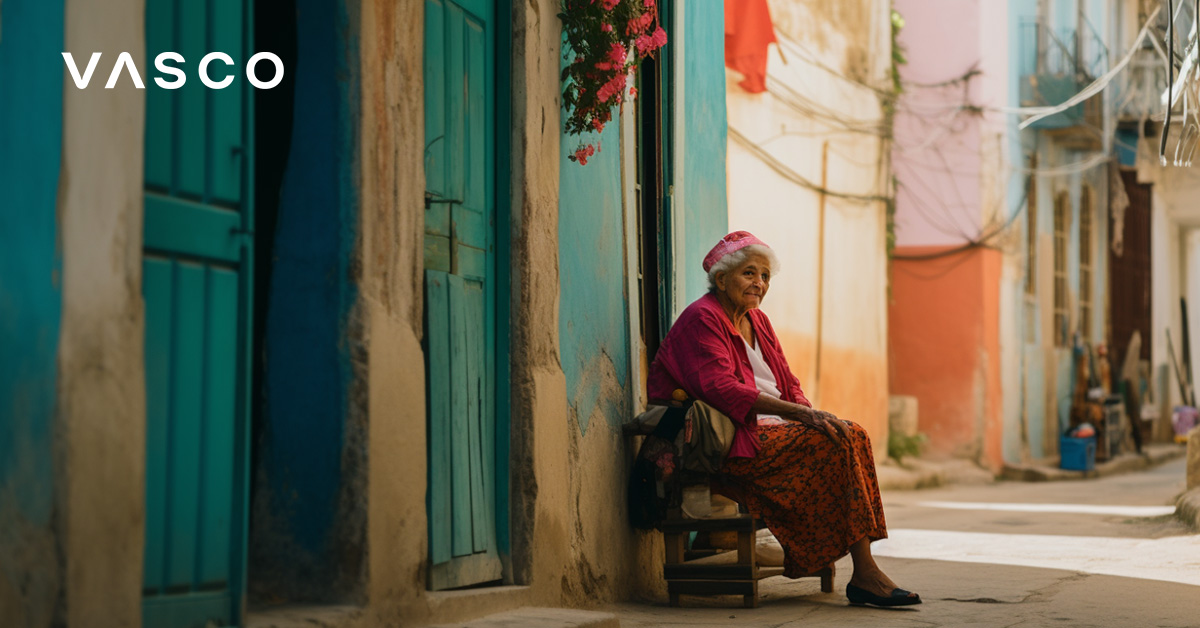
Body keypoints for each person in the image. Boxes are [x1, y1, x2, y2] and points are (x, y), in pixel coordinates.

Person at [647, 230, 921, 608]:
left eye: (765, 276)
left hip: (768, 430)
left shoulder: (759, 321)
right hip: (730, 441)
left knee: (849, 433)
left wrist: (809, 414)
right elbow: (721, 389)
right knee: (833, 440)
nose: (759, 283)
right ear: (722, 279)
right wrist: (801, 416)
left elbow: (787, 382)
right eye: (749, 273)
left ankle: (864, 570)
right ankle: (865, 573)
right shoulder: (702, 318)